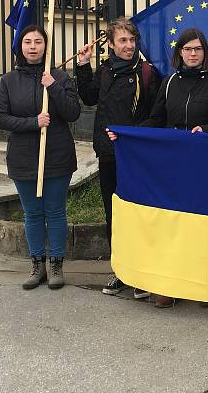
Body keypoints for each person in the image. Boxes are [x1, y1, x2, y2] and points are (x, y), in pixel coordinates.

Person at [123, 27, 208, 308]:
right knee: (173, 224)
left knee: (202, 226)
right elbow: (156, 119)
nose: (192, 54)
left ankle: (201, 286)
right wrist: (126, 134)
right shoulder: (169, 84)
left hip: (204, 166)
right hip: (174, 166)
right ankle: (170, 285)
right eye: (187, 49)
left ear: (205, 53)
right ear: (179, 53)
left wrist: (206, 129)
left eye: (197, 49)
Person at [0, 25, 81, 290]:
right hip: (23, 157)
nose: (33, 47)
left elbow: (73, 112)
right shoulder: (8, 81)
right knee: (32, 213)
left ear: (46, 45)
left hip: (56, 155)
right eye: (28, 42)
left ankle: (55, 264)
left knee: (55, 211)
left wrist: (52, 86)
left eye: (38, 41)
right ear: (20, 47)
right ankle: (37, 264)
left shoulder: (60, 77)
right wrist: (34, 122)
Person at [76, 17, 159, 296]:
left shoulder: (147, 73)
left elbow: (155, 115)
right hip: (108, 155)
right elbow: (89, 98)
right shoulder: (105, 71)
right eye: (123, 40)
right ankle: (121, 271)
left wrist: (133, 135)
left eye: (132, 40)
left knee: (136, 214)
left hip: (136, 156)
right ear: (110, 44)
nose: (129, 45)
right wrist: (82, 66)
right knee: (114, 214)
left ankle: (141, 275)